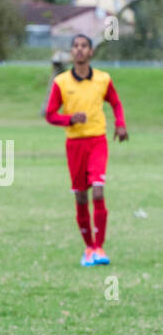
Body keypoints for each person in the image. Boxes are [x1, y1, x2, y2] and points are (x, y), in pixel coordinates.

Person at [44, 34, 127, 266]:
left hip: (97, 141)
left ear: (91, 52)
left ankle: (100, 248)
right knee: (81, 196)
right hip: (75, 145)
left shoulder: (103, 79)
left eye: (84, 46)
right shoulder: (61, 82)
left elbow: (116, 102)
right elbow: (50, 115)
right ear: (72, 52)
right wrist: (70, 119)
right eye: (76, 46)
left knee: (98, 191)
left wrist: (120, 124)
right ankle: (88, 248)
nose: (80, 50)